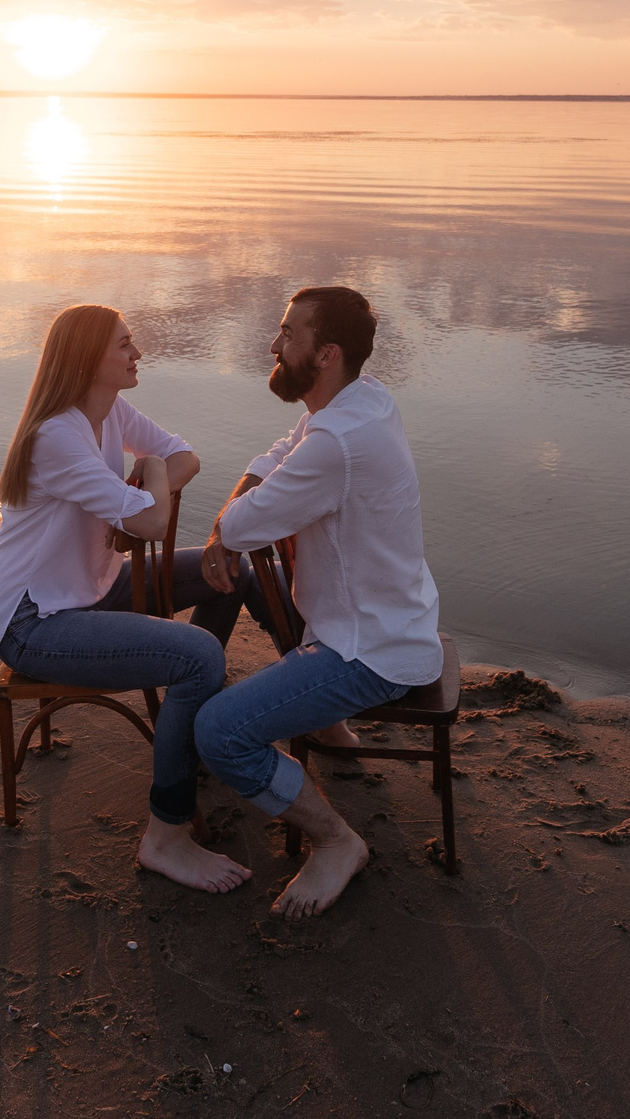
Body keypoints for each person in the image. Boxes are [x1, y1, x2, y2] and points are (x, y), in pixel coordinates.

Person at [195, 286, 441, 919]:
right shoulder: (363, 401)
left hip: (368, 652)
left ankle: (336, 842)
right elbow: (285, 448)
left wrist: (224, 529)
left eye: (287, 336)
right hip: (390, 621)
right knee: (267, 588)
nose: (274, 346)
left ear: (326, 353)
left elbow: (247, 525)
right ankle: (329, 726)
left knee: (219, 733)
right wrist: (237, 510)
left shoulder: (338, 443)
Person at [0, 304, 249, 893]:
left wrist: (150, 479)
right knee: (197, 655)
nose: (138, 354)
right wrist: (150, 474)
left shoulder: (108, 411)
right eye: (125, 345)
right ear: (88, 360)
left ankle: (204, 725)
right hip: (37, 622)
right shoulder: (57, 435)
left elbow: (188, 457)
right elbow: (154, 517)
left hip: (96, 588)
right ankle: (167, 837)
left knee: (233, 571)